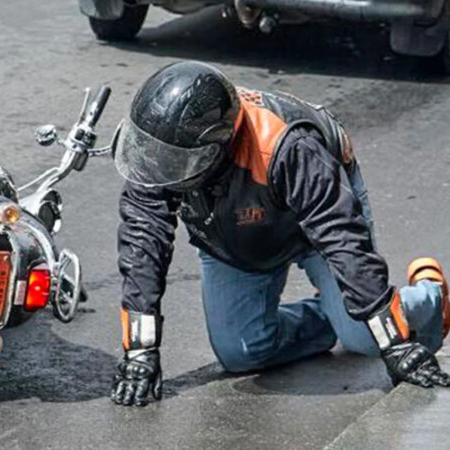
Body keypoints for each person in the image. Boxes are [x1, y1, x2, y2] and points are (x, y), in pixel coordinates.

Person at [110, 60, 450, 407]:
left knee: (364, 338)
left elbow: (342, 239)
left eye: (173, 162)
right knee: (240, 353)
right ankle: (337, 312)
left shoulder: (291, 148)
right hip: (235, 234)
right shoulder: (159, 152)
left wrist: (396, 343)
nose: (161, 167)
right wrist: (140, 350)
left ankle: (430, 298)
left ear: (215, 150)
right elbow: (143, 241)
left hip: (315, 227)